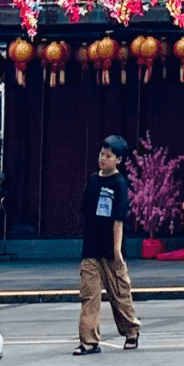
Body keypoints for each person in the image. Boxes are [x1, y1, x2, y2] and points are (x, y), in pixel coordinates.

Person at [76, 136, 141, 354]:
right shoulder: (93, 181)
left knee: (120, 295)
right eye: (102, 154)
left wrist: (116, 251)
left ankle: (131, 332)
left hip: (111, 249)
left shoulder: (119, 184)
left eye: (108, 156)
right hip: (91, 248)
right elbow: (87, 212)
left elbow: (118, 220)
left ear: (118, 160)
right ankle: (89, 340)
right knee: (89, 296)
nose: (103, 159)